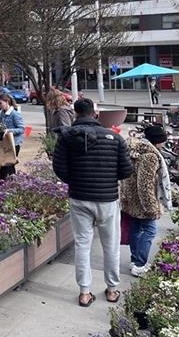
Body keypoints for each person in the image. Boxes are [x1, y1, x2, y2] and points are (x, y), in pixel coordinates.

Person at [52, 98, 133, 307]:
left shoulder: (66, 138)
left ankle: (84, 292)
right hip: (107, 199)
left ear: (76, 114)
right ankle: (113, 289)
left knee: (82, 244)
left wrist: (76, 181)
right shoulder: (114, 138)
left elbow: (59, 167)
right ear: (95, 113)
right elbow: (126, 170)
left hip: (79, 198)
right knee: (111, 245)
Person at [120, 124, 172, 277]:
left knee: (136, 229)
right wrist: (151, 207)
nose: (164, 144)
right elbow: (146, 184)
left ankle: (135, 260)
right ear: (158, 141)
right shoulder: (150, 156)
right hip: (143, 201)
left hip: (131, 198)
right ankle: (139, 264)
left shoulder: (135, 150)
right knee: (150, 231)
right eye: (163, 141)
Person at [0, 94, 25, 180]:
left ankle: (3, 182)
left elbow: (21, 129)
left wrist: (8, 131)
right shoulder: (1, 113)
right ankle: (5, 183)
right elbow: (1, 126)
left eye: (0, 103)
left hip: (14, 144)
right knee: (5, 165)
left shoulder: (15, 114)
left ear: (7, 102)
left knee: (9, 165)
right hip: (5, 143)